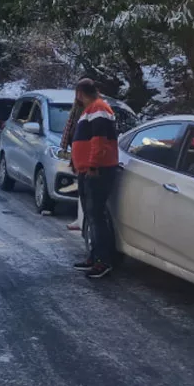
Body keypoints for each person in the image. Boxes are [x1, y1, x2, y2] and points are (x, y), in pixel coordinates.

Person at [71, 79, 120, 279]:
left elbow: (99, 141)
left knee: (96, 215)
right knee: (91, 216)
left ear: (80, 93)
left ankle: (103, 261)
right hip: (86, 170)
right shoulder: (91, 110)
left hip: (97, 171)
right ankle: (94, 255)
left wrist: (93, 164)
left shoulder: (99, 109)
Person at [59, 95, 86, 231]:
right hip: (77, 151)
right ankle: (80, 219)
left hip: (83, 154)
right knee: (81, 190)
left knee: (84, 191)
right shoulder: (76, 109)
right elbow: (69, 128)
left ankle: (83, 220)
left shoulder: (87, 111)